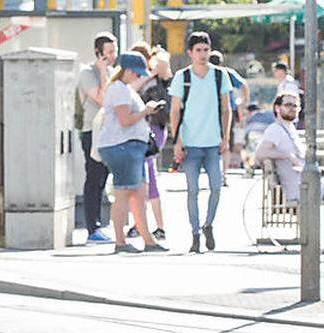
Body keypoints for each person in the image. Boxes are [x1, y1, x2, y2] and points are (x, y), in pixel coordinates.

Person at [256, 93, 324, 254]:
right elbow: (260, 153)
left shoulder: (289, 129)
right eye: (288, 105)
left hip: (308, 181)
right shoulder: (275, 130)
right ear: (277, 108)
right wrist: (287, 156)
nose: (292, 109)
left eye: (296, 106)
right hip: (301, 186)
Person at [95, 52, 167, 254]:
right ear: (127, 70)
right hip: (122, 146)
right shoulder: (119, 89)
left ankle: (148, 240)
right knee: (124, 193)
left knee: (138, 194)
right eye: (137, 73)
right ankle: (120, 241)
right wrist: (145, 111)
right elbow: (125, 120)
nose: (139, 77)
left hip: (131, 147)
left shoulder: (123, 88)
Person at [169, 31, 233, 254]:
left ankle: (208, 224)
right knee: (192, 190)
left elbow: (227, 108)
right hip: (190, 144)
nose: (203, 54)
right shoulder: (182, 77)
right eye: (198, 50)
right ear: (190, 53)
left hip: (213, 142)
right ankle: (194, 233)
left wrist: (226, 137)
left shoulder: (219, 76)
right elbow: (175, 110)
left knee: (216, 187)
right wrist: (176, 141)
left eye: (206, 50)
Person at [79, 32, 118, 243]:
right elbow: (102, 99)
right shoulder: (88, 73)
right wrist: (103, 72)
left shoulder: (112, 71)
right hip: (91, 131)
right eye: (109, 52)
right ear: (98, 53)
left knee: (103, 180)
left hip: (108, 132)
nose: (113, 55)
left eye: (115, 51)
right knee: (93, 179)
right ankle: (91, 228)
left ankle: (99, 226)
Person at [130, 43, 170, 240]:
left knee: (148, 174)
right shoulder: (135, 78)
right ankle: (141, 223)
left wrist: (154, 69)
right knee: (140, 176)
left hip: (154, 129)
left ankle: (155, 225)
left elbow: (165, 70)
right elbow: (131, 89)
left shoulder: (157, 74)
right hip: (137, 129)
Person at [209, 50, 249, 179]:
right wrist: (243, 102)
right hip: (228, 111)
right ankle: (223, 174)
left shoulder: (205, 73)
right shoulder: (227, 73)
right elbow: (244, 85)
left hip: (210, 112)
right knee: (226, 141)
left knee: (212, 142)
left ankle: (215, 173)